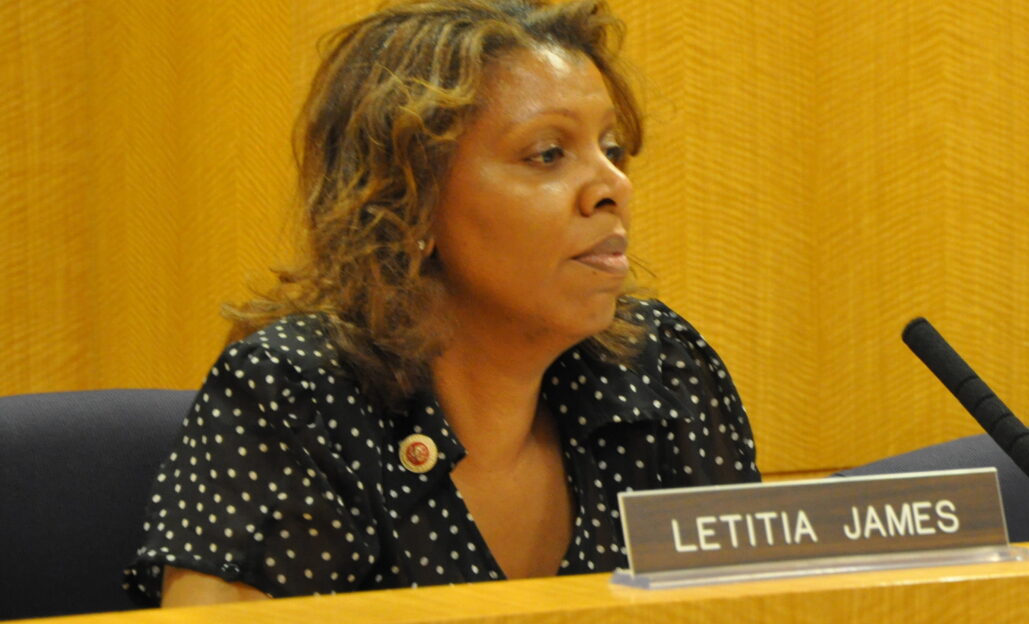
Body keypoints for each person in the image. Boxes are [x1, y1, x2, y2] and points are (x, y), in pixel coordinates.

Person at [124, 0, 759, 606]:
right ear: (411, 203)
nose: (612, 186)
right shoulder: (294, 395)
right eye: (548, 154)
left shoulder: (662, 372)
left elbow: (758, 605)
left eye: (612, 149)